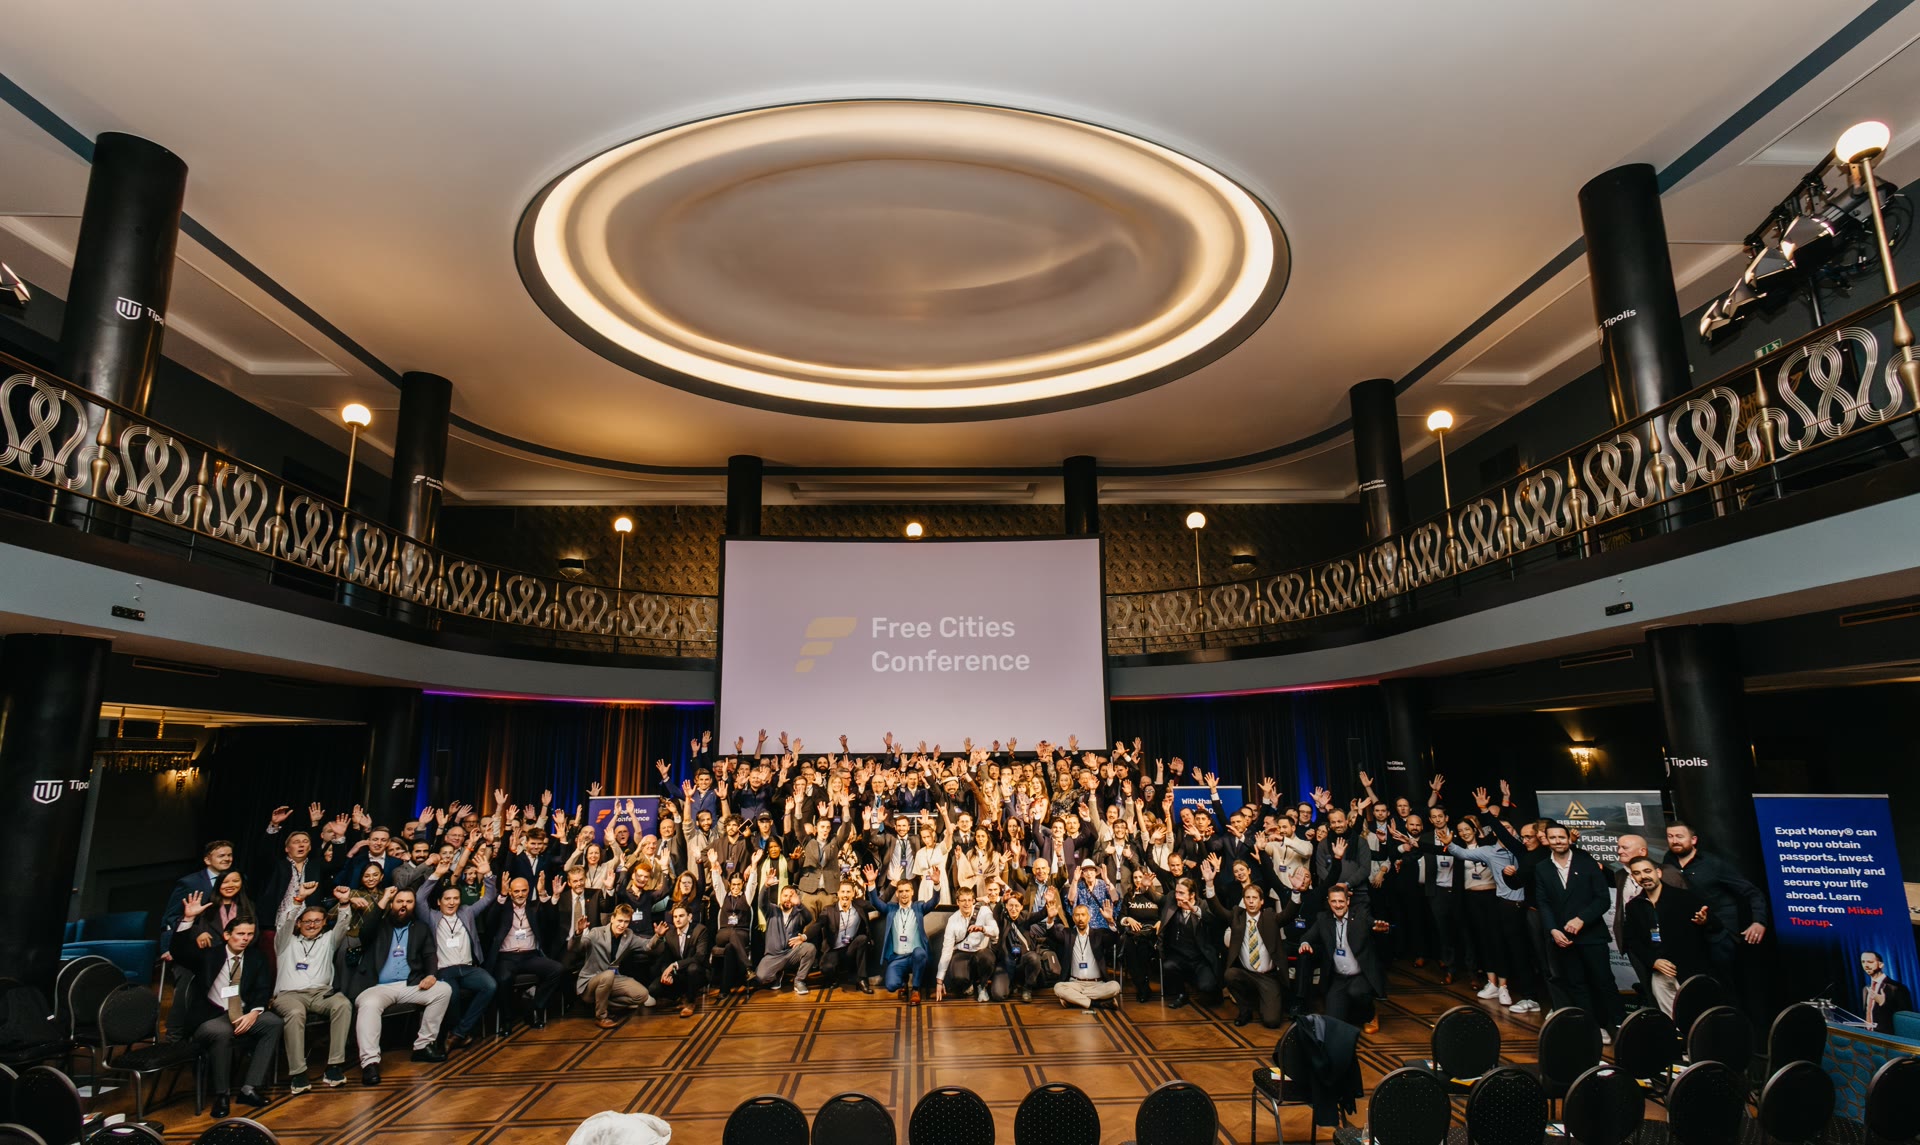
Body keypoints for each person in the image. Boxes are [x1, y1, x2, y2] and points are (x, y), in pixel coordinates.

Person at [171, 891, 284, 1117]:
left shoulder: (256, 957)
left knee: (273, 1023)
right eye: (240, 934)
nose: (245, 938)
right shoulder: (209, 956)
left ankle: (249, 1088)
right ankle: (221, 1095)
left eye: (249, 935)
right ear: (226, 935)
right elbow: (179, 952)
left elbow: (262, 990)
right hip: (211, 1016)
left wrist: (254, 1013)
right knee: (222, 1032)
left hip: (242, 1013)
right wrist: (188, 920)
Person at [343, 887, 452, 1084]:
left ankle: (423, 1046)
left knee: (443, 990)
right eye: (400, 901)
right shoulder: (378, 926)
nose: (404, 906)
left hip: (410, 985)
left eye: (409, 902)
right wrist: (384, 898)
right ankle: (370, 1063)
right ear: (392, 904)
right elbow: (365, 930)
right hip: (378, 987)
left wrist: (431, 975)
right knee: (368, 1005)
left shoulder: (420, 928)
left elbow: (429, 954)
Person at [1533, 824, 1620, 1037]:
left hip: (1592, 935)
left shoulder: (1587, 862)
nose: (1558, 841)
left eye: (1561, 837)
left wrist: (1582, 919)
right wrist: (1553, 930)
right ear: (1547, 840)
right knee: (1576, 984)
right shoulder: (1542, 868)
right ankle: (1593, 1028)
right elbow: (1543, 903)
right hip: (1564, 938)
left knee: (1603, 981)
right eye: (1553, 838)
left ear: (1569, 839)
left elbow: (1603, 899)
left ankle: (1619, 1025)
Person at [269, 884, 354, 1093]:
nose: (312, 924)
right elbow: (285, 923)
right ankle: (298, 1073)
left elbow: (343, 925)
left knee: (342, 1004)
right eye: (307, 921)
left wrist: (344, 903)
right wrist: (298, 900)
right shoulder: (285, 942)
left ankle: (334, 1066)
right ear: (299, 924)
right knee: (296, 1013)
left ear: (324, 922)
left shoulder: (328, 940)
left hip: (320, 994)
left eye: (317, 921)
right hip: (289, 996)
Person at [416, 857, 499, 1051]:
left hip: (469, 968)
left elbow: (489, 897)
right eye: (447, 899)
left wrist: (487, 874)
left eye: (455, 898)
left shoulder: (467, 913)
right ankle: (456, 1033)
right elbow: (420, 898)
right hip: (444, 970)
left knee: (490, 986)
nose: (452, 902)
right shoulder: (431, 917)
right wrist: (437, 874)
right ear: (439, 901)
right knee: (451, 996)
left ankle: (458, 1032)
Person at [1618, 856, 1715, 1017]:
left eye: (1647, 871)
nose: (1643, 876)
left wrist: (1705, 921)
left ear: (1658, 873)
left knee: (1699, 1017)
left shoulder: (1683, 897)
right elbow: (1632, 940)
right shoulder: (1634, 906)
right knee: (1671, 1020)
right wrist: (1653, 961)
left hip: (1690, 970)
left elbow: (1715, 925)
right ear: (1634, 878)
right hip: (1660, 972)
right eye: (1637, 873)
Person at [485, 876, 568, 1034]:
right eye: (516, 891)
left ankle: (535, 1006)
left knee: (557, 969)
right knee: (503, 979)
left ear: (529, 891)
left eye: (524, 890)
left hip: (530, 956)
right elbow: (490, 921)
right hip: (507, 957)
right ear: (510, 892)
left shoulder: (534, 907)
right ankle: (507, 1021)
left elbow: (551, 919)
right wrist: (501, 895)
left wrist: (550, 895)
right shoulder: (502, 907)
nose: (520, 894)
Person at [1210, 879, 1294, 1028]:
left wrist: (1297, 892)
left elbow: (1289, 914)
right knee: (1230, 975)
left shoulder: (1270, 917)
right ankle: (1245, 1010)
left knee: (1271, 1021)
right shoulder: (1237, 916)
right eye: (1247, 898)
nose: (1251, 901)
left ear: (1261, 901)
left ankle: (1266, 999)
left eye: (1254, 898)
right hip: (1246, 973)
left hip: (1268, 976)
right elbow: (1217, 909)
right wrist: (1210, 883)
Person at [570, 904, 654, 1026]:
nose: (622, 925)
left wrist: (659, 936)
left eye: (626, 922)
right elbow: (576, 948)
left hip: (613, 979)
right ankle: (601, 1017)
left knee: (642, 995)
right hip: (591, 982)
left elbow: (647, 945)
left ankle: (603, 1003)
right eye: (620, 920)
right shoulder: (596, 932)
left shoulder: (628, 935)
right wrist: (578, 933)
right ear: (612, 919)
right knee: (608, 974)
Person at [867, 865, 933, 1003]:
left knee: (920, 953)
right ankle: (902, 981)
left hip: (915, 956)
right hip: (897, 958)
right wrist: (872, 883)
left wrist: (937, 884)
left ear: (912, 893)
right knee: (891, 986)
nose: (904, 894)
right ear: (896, 894)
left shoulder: (919, 907)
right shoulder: (891, 909)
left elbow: (934, 901)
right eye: (901, 891)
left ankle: (915, 989)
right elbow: (875, 902)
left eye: (907, 891)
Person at [1158, 877, 1223, 1009]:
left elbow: (1213, 921)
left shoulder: (1203, 904)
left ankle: (1202, 984)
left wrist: (1194, 910)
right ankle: (1182, 994)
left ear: (1192, 894)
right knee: (1168, 966)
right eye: (1176, 892)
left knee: (1207, 986)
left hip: (1199, 958)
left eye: (1181, 893)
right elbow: (1156, 898)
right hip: (1179, 956)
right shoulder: (1172, 902)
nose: (1177, 896)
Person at [934, 885, 1000, 1002]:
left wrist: (982, 928)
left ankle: (982, 986)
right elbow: (947, 950)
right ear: (957, 902)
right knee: (958, 978)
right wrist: (939, 980)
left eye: (969, 900)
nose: (967, 904)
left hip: (981, 951)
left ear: (973, 901)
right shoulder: (953, 920)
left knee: (987, 958)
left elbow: (995, 931)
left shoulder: (984, 911)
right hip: (962, 952)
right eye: (963, 900)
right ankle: (968, 984)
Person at [1050, 903, 1120, 1010]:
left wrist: (1110, 921)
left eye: (1083, 915)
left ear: (1089, 917)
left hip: (1098, 984)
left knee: (1115, 987)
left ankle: (1075, 1000)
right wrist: (1050, 919)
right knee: (1058, 988)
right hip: (1075, 983)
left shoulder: (1098, 934)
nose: (1080, 918)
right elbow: (1053, 935)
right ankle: (1097, 1003)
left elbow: (1113, 938)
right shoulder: (1068, 934)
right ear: (1073, 918)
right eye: (1077, 915)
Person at [810, 880, 874, 993]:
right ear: (838, 893)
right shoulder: (828, 910)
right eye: (843, 892)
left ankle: (862, 980)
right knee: (826, 967)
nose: (845, 895)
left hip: (851, 949)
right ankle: (834, 978)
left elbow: (879, 904)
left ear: (853, 893)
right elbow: (818, 924)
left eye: (848, 892)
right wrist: (804, 936)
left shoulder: (860, 905)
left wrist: (875, 883)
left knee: (862, 939)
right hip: (834, 950)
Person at [650, 902, 711, 1018]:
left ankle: (691, 1002)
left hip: (698, 972)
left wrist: (676, 964)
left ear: (689, 917)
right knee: (653, 989)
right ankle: (679, 996)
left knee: (692, 969)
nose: (678, 919)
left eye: (681, 916)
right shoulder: (669, 934)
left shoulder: (700, 930)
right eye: (675, 917)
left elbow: (699, 957)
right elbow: (666, 959)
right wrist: (667, 974)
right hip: (679, 974)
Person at [754, 885, 818, 994]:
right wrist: (766, 886)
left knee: (810, 948)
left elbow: (809, 919)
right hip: (773, 956)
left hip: (791, 953)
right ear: (780, 897)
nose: (788, 898)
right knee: (761, 978)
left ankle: (799, 981)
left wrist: (800, 904)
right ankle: (777, 975)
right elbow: (762, 901)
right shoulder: (772, 910)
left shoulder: (798, 912)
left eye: (791, 896)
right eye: (785, 896)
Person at [1862, 951, 1913, 1034]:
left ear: (1881, 965)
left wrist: (1883, 1002)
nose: (1866, 965)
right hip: (1869, 1037)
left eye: (1870, 962)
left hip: (1888, 1038)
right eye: (1863, 962)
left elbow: (1906, 1019)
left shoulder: (1897, 988)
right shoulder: (1865, 989)